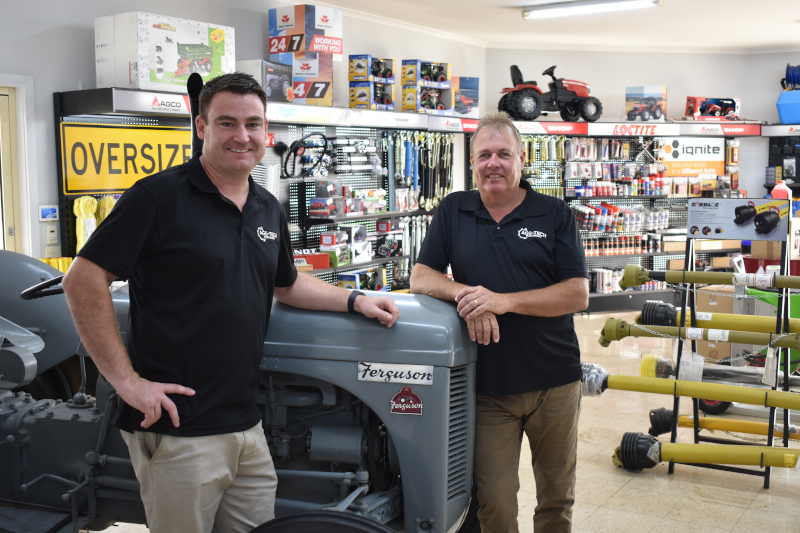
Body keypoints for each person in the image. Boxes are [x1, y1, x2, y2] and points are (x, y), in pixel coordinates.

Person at [62, 72, 400, 533]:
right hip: (177, 428)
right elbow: (82, 279)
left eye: (252, 124)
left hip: (245, 423)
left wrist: (356, 299)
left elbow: (287, 285)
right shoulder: (158, 197)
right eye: (227, 123)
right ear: (202, 127)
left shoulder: (266, 206)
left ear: (267, 133)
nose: (242, 136)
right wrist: (128, 383)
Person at [409, 111, 588, 533]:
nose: (494, 163)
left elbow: (577, 294)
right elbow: (421, 276)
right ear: (471, 162)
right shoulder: (453, 209)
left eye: (503, 154)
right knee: (493, 502)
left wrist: (503, 302)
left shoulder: (554, 214)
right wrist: (470, 297)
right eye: (484, 155)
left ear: (521, 159)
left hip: (555, 383)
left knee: (556, 499)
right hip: (488, 387)